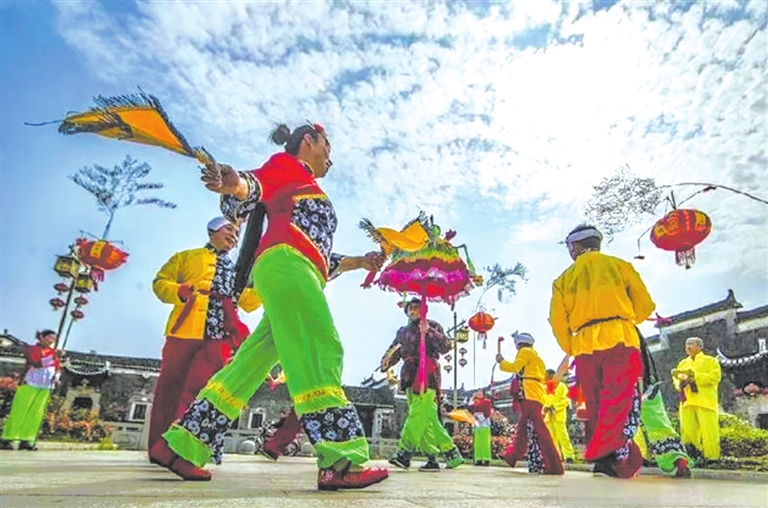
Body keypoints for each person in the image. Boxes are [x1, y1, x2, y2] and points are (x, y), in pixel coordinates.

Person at [150, 122, 388, 490]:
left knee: (246, 367)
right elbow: (252, 185)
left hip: (294, 268)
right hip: (288, 265)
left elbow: (320, 253)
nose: (330, 156)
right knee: (320, 348)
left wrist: (362, 261)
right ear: (308, 140)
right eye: (327, 146)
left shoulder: (305, 188)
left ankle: (182, 445)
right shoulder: (287, 166)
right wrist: (232, 182)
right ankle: (340, 460)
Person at [147, 217, 261, 457]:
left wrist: (263, 285)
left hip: (220, 335)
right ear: (212, 231)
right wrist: (179, 291)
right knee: (170, 388)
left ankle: (184, 447)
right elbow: (160, 283)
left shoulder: (238, 270)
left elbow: (248, 302)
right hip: (185, 329)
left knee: (204, 390)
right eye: (229, 229)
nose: (234, 235)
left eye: (236, 233)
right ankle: (159, 447)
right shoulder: (186, 257)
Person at [549, 224, 655, 478]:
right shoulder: (620, 266)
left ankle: (603, 460)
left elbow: (557, 321)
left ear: (575, 246)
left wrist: (572, 347)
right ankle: (611, 456)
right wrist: (624, 319)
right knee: (617, 401)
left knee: (595, 403)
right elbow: (645, 305)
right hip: (620, 338)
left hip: (585, 344)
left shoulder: (563, 279)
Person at [383, 297, 463, 472]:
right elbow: (394, 350)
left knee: (418, 413)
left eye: (417, 308)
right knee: (427, 417)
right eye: (410, 308)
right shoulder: (402, 332)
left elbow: (446, 346)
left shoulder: (433, 325)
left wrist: (429, 332)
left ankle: (404, 452)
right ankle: (444, 455)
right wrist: (386, 362)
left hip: (427, 373)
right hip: (409, 375)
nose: (413, 311)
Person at [496, 332, 564, 475]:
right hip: (535, 394)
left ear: (520, 344)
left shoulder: (525, 352)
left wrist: (501, 362)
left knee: (539, 429)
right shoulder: (537, 357)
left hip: (529, 394)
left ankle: (553, 464)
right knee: (524, 427)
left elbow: (515, 367)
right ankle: (513, 456)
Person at [1, 330, 62, 450]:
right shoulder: (32, 349)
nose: (52, 340)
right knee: (20, 410)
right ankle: (8, 437)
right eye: (50, 337)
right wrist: (53, 357)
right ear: (41, 337)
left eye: (54, 338)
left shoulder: (53, 352)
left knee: (37, 413)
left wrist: (57, 376)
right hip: (30, 383)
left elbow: (57, 367)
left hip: (45, 385)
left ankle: (27, 439)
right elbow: (36, 363)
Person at [672, 336, 722, 464]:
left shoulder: (711, 361)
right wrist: (681, 381)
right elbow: (676, 381)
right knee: (687, 430)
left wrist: (695, 377)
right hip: (687, 402)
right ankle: (692, 456)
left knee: (709, 431)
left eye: (691, 344)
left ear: (700, 347)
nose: (688, 347)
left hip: (705, 401)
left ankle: (712, 458)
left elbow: (714, 378)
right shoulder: (683, 363)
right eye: (687, 344)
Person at [543, 369, 575, 464]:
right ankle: (556, 456)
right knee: (552, 438)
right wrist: (545, 408)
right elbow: (543, 401)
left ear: (552, 375)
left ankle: (569, 456)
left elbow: (566, 401)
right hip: (549, 416)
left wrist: (555, 407)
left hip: (558, 415)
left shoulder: (561, 386)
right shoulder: (545, 387)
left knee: (563, 436)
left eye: (547, 375)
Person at [468, 389, 493, 466]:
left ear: (484, 394)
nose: (479, 394)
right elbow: (470, 407)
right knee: (478, 443)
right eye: (478, 393)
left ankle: (486, 459)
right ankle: (478, 459)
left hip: (484, 423)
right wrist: (472, 398)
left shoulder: (487, 402)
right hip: (477, 424)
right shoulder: (475, 402)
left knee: (485, 442)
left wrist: (480, 417)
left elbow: (488, 413)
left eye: (480, 392)